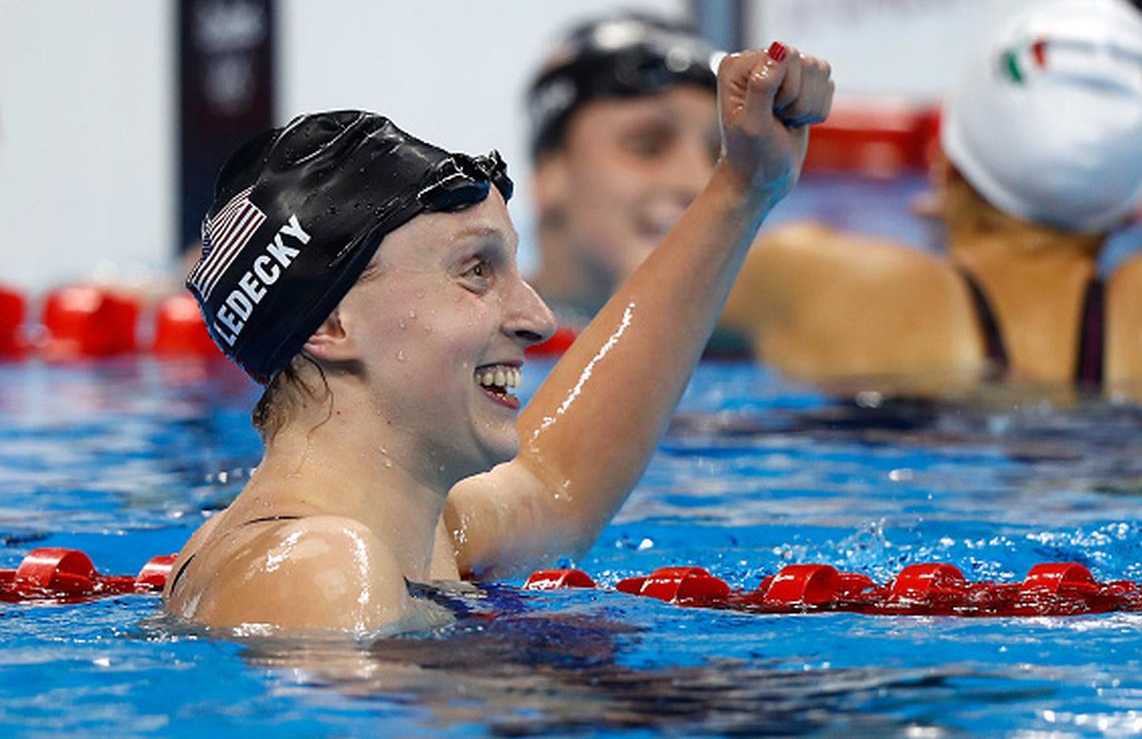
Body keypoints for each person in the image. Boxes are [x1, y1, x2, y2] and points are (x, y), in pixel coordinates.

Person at [164, 42, 835, 631]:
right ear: (332, 324)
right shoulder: (319, 570)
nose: (537, 318)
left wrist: (745, 187)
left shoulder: (420, 534)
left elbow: (558, 481)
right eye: (476, 271)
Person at [719, 0, 1142, 395]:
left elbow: (660, 300)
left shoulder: (824, 282)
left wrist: (740, 183)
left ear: (944, 159)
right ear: (1140, 197)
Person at [525, 12, 723, 339]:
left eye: (720, 156)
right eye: (647, 146)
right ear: (550, 173)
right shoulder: (469, 348)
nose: (700, 183)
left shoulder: (764, 340)